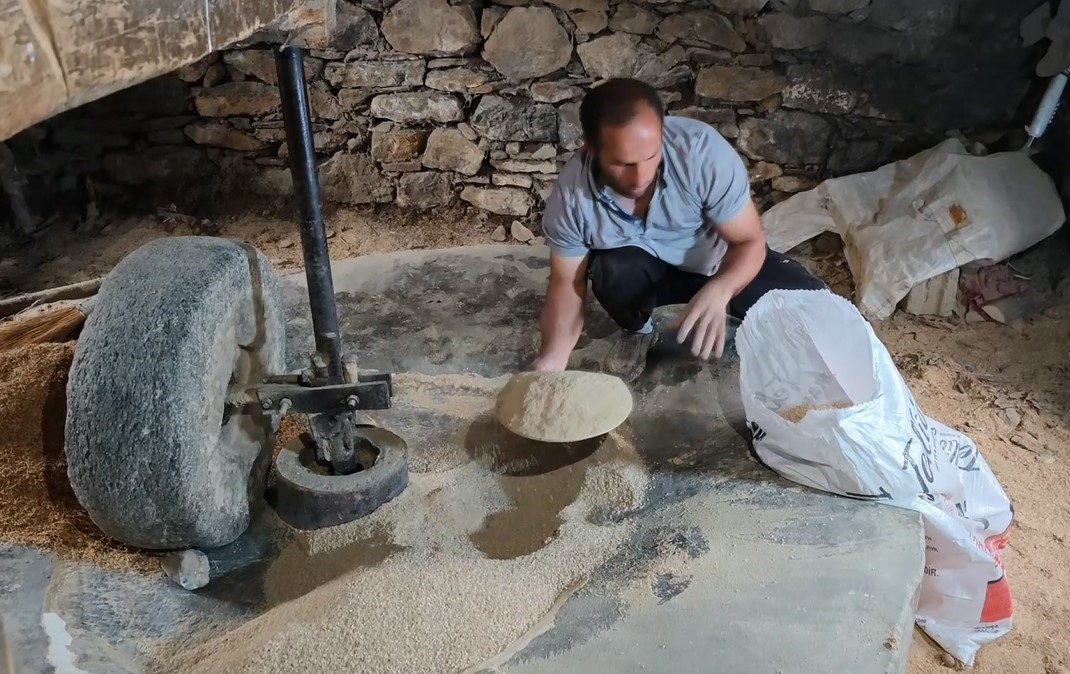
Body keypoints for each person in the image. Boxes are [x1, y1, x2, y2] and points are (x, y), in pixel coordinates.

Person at [530, 77, 826, 382]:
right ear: (592, 149)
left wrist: (721, 288)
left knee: (814, 312)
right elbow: (567, 283)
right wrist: (552, 357)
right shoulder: (572, 197)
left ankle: (717, 301)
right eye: (623, 163)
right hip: (647, 273)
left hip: (717, 263)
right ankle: (639, 331)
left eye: (650, 156)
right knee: (612, 269)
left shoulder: (701, 153)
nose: (641, 177)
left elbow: (749, 241)